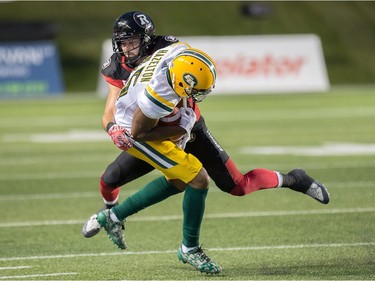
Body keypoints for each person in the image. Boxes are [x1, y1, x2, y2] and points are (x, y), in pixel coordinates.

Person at [82, 10, 330, 272]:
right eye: (123, 42)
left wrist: (183, 126)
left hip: (181, 123)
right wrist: (113, 129)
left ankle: (294, 179)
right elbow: (130, 122)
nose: (127, 47)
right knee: (124, 177)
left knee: (235, 186)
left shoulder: (170, 50)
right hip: (148, 128)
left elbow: (185, 85)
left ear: (147, 39)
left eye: (132, 41)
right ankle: (121, 218)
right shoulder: (138, 85)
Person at [95, 39, 222, 273]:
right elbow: (140, 132)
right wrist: (183, 126)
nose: (196, 96)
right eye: (195, 90)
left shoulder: (179, 51)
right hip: (130, 131)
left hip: (138, 111)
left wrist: (183, 118)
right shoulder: (156, 96)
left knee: (179, 180)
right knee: (199, 178)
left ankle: (114, 217)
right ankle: (190, 248)